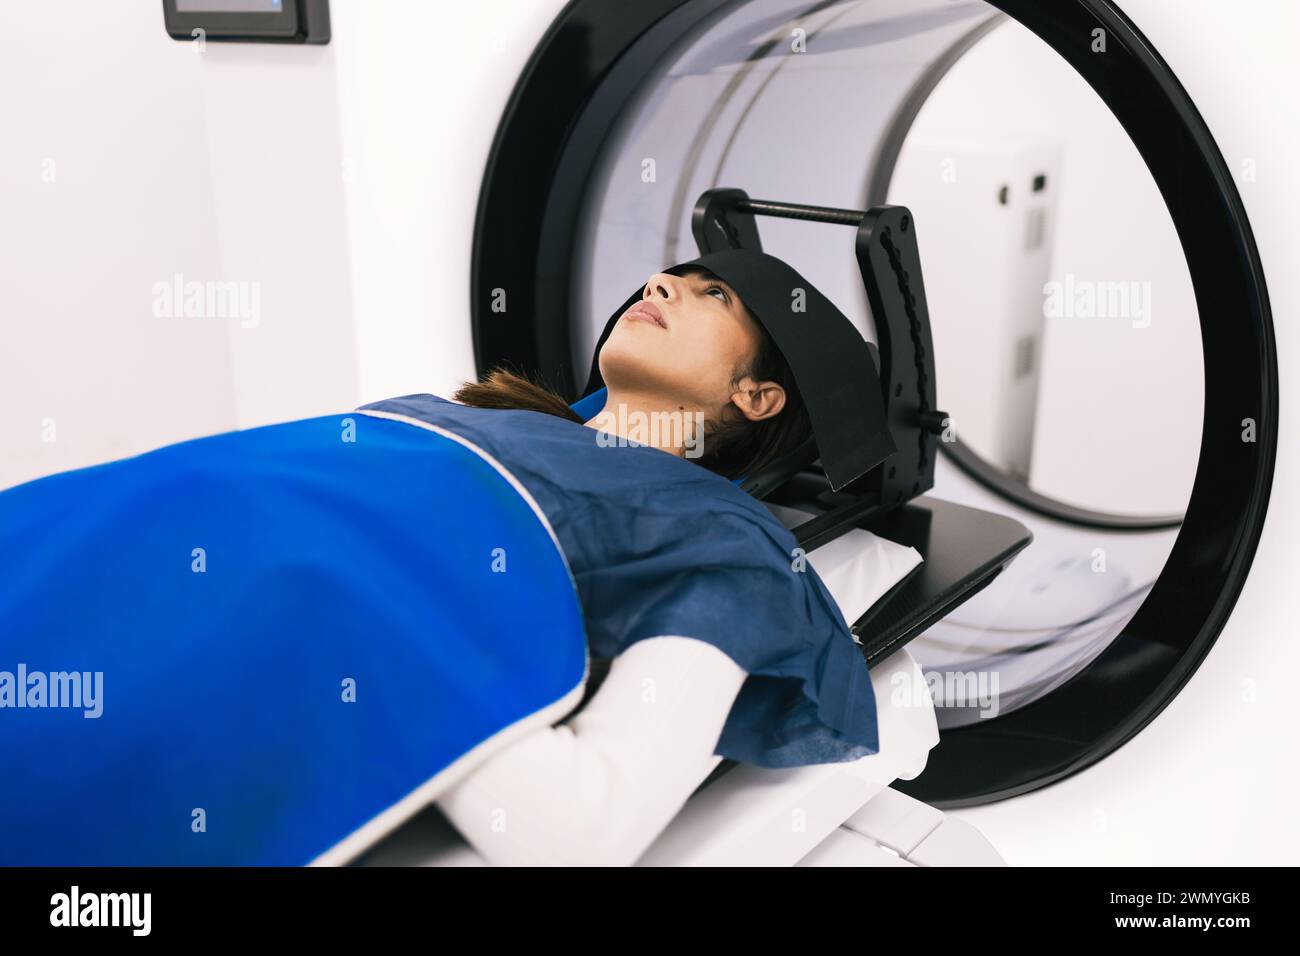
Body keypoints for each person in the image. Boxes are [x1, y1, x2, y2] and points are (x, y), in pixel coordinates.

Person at [359, 251, 896, 866]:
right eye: (672, 277)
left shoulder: (716, 536)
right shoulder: (454, 414)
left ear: (756, 396)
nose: (658, 282)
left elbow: (581, 835)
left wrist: (354, 605)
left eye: (716, 295)